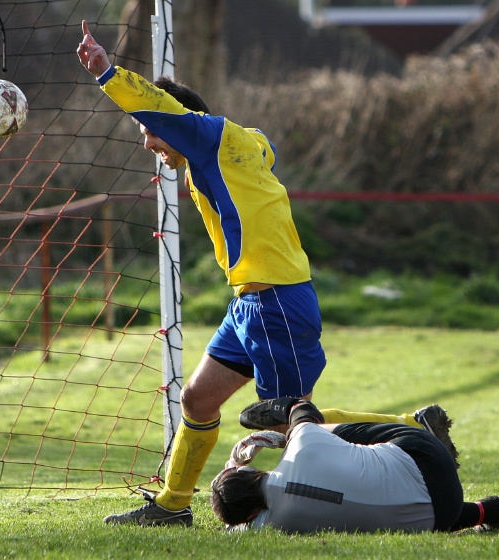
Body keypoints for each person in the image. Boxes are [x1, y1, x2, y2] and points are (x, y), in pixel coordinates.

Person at [77, 20, 327, 526]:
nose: (150, 144)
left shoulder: (210, 138)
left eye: (152, 134)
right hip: (250, 303)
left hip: (276, 298)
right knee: (197, 398)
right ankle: (172, 507)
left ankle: (408, 427)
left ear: (178, 122)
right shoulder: (225, 151)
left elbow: (158, 107)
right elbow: (256, 144)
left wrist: (107, 72)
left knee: (290, 417)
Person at [211, 398, 499, 534]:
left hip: (441, 514)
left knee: (399, 511)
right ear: (250, 472)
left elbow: (236, 528)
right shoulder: (302, 448)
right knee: (320, 428)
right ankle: (419, 426)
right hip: (426, 456)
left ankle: (495, 509)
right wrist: (275, 424)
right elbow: (301, 408)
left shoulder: (279, 526)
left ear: (252, 516)